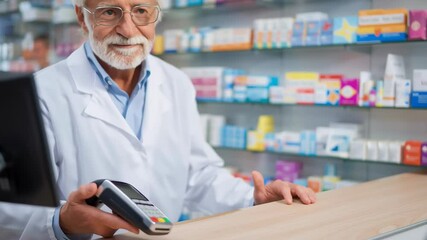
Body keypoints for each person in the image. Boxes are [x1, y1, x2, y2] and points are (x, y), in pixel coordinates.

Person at [0, 0, 316, 239]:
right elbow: (11, 210)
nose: (127, 29)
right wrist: (63, 222)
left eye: (140, 10)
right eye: (109, 12)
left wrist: (251, 197)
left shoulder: (176, 82)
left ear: (156, 15)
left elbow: (198, 175)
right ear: (82, 17)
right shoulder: (41, 92)